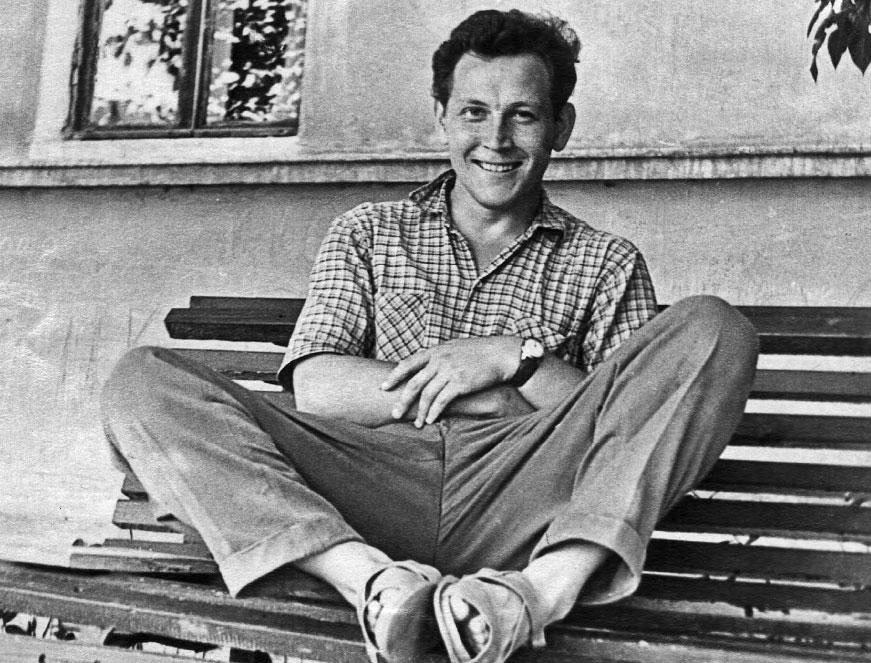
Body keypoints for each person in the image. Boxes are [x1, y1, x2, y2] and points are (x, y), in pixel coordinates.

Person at [101, 9, 759, 663]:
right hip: (365, 488)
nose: (495, 139)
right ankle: (375, 585)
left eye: (523, 115)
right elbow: (320, 389)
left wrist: (516, 359)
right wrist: (485, 392)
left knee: (714, 326)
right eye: (474, 112)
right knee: (143, 379)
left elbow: (624, 429)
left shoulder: (606, 261)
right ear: (441, 115)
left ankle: (533, 596)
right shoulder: (368, 231)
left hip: (521, 504)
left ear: (560, 126)